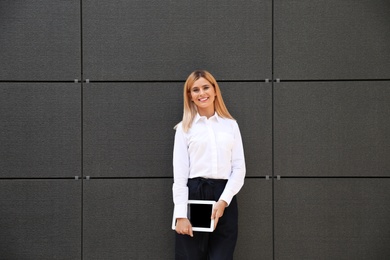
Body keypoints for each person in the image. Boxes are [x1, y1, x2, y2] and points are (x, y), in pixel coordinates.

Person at [172, 70, 246, 259]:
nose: (201, 93)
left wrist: (223, 201)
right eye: (195, 90)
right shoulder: (184, 129)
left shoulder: (230, 125)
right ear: (190, 96)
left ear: (214, 90)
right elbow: (179, 176)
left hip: (224, 195)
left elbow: (239, 168)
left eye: (206, 87)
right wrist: (181, 215)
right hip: (195, 195)